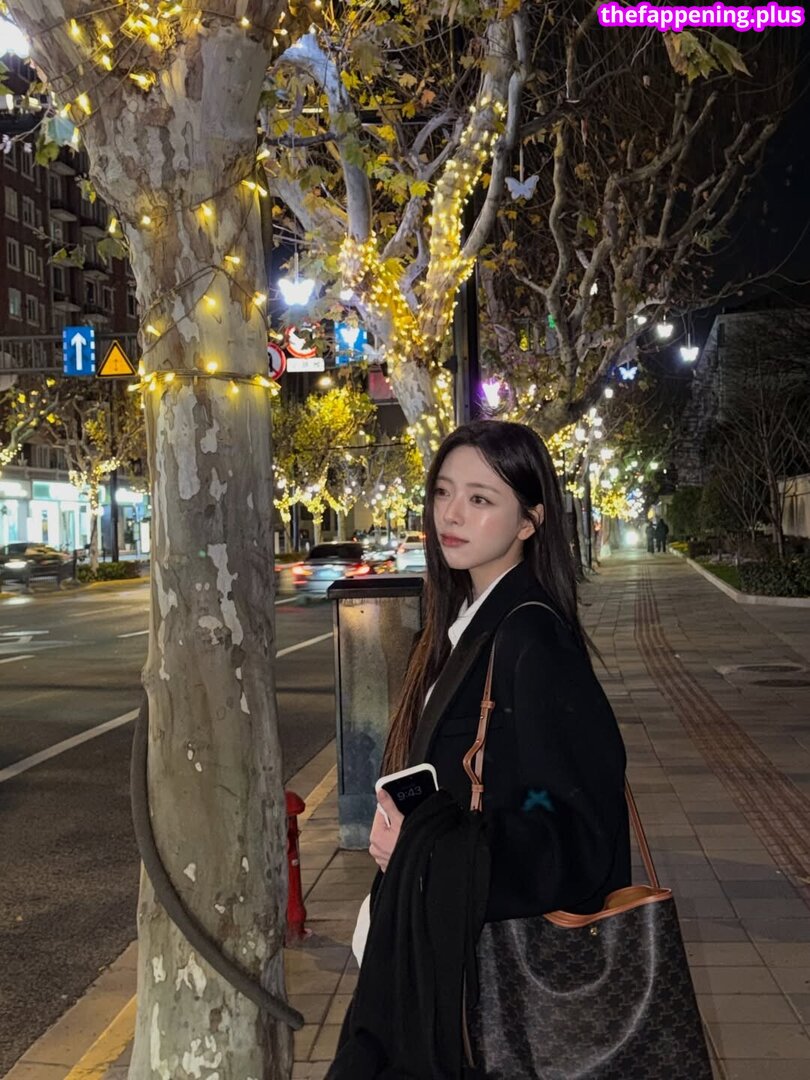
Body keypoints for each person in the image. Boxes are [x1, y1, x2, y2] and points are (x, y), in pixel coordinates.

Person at [331, 421, 630, 1079]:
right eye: (443, 492)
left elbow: (574, 828)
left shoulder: (532, 640)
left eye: (480, 498)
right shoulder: (463, 621)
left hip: (494, 984)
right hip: (437, 956)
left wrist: (428, 852)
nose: (451, 514)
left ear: (530, 520)